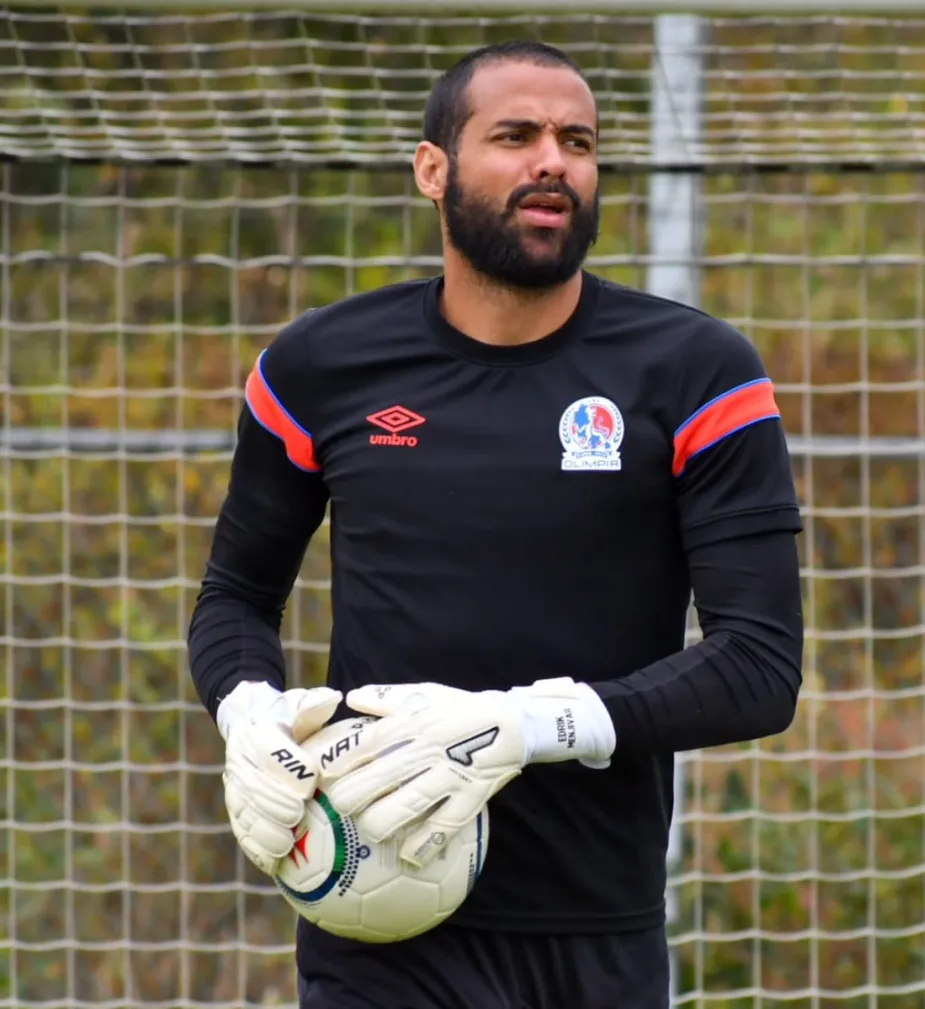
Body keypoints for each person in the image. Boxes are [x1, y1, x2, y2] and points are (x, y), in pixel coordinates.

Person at [188, 39, 805, 1009]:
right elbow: (234, 596)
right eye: (514, 135)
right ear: (431, 169)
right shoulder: (320, 366)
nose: (551, 160)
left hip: (595, 930)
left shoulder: (696, 372)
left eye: (577, 140)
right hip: (373, 909)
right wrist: (247, 717)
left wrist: (518, 725)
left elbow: (758, 668)